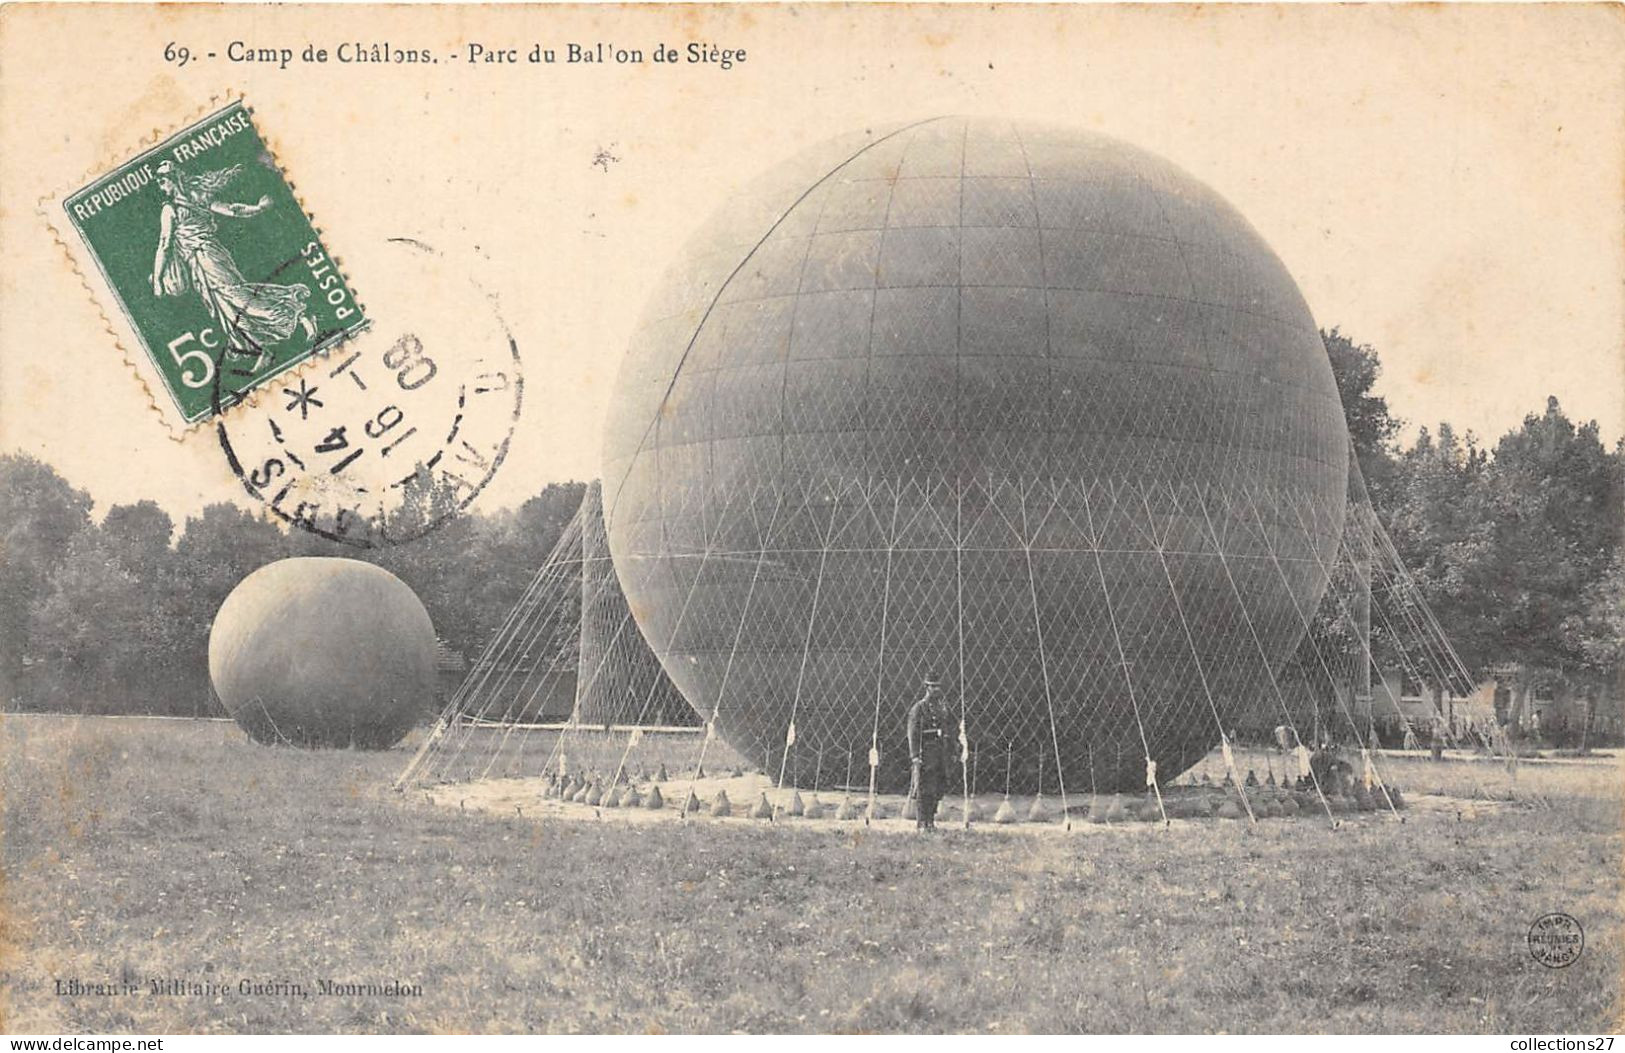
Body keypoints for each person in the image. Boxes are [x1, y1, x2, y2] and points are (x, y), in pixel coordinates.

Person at [151, 160, 316, 364]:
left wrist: (158, 279)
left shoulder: (171, 209)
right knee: (224, 303)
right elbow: (232, 209)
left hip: (207, 257)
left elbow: (165, 244)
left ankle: (296, 314)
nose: (160, 186)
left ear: (172, 179)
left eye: (161, 181)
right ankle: (257, 347)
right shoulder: (197, 198)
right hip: (203, 260)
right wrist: (257, 208)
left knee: (237, 297)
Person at [906, 674, 953, 831]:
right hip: (925, 753)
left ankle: (931, 820)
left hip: (940, 754)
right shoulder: (919, 708)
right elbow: (913, 733)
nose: (935, 689)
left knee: (938, 788)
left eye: (938, 686)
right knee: (924, 789)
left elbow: (947, 728)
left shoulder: (941, 707)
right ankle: (922, 822)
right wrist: (915, 756)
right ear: (926, 687)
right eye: (932, 686)